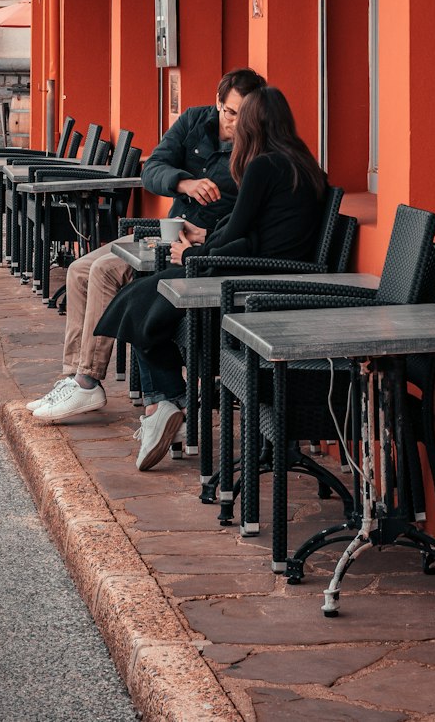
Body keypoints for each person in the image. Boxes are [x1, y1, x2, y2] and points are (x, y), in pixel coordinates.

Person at [98, 85, 328, 471]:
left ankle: (168, 400)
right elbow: (255, 229)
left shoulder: (262, 165)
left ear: (254, 124)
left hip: (254, 281)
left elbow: (241, 228)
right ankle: (164, 403)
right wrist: (205, 240)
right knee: (145, 296)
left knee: (140, 299)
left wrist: (192, 253)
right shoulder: (303, 164)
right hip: (272, 276)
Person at [28, 68, 266, 425]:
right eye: (231, 112)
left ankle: (87, 379)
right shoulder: (193, 121)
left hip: (201, 244)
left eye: (245, 114)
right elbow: (153, 168)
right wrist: (184, 183)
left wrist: (207, 233)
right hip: (164, 230)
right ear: (218, 102)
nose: (236, 122)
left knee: (104, 271)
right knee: (78, 270)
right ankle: (72, 378)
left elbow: (252, 216)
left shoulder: (259, 148)